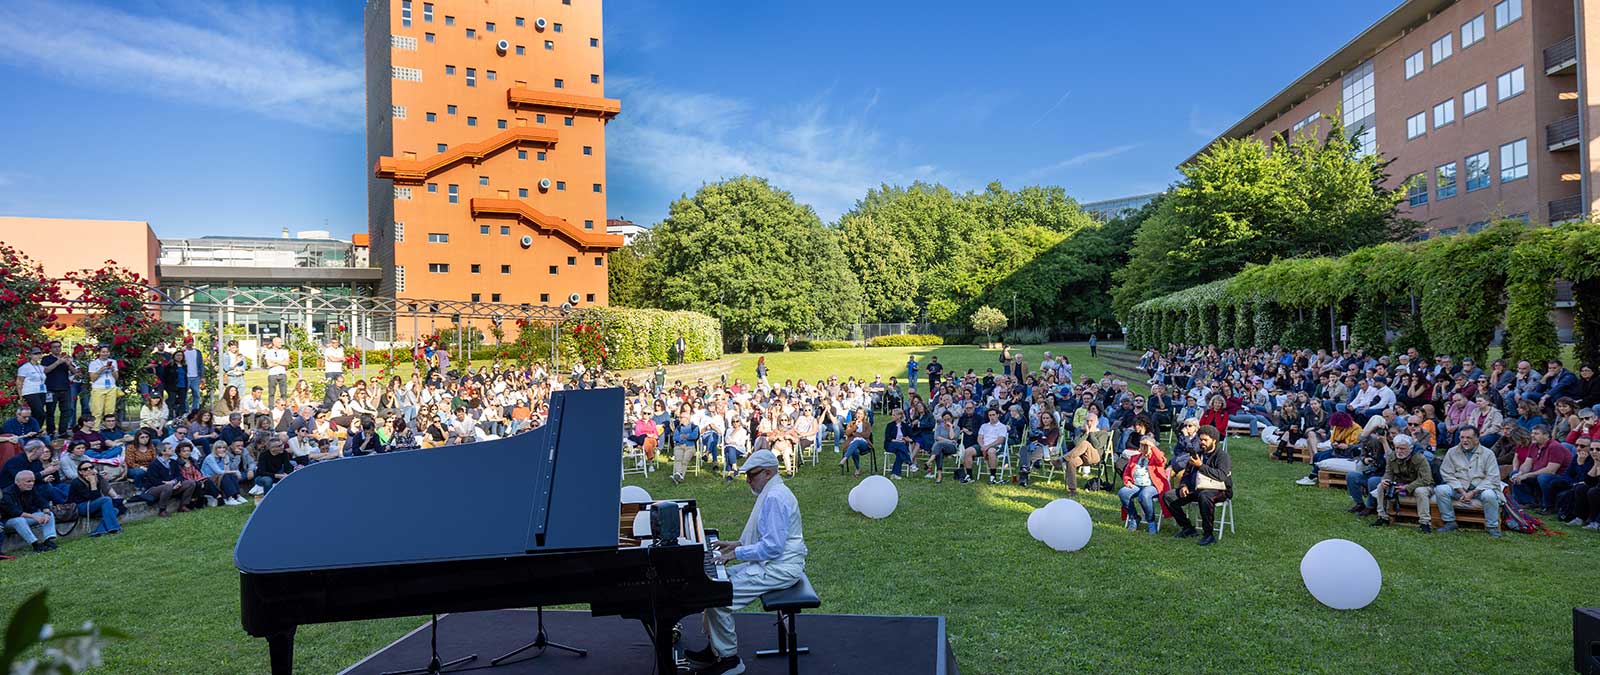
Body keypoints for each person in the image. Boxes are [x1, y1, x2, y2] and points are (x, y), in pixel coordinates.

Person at [684, 450, 806, 675]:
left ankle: (730, 660)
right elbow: (767, 536)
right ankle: (715, 649)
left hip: (781, 568)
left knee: (719, 597)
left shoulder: (775, 497)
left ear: (768, 472)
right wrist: (735, 544)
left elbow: (773, 547)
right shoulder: (771, 491)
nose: (748, 480)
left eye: (752, 475)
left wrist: (736, 554)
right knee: (712, 587)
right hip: (773, 563)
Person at [1159, 424, 1231, 546]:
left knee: (1205, 496)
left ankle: (1208, 534)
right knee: (1168, 496)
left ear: (1214, 440)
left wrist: (1200, 466)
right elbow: (1187, 473)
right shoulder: (1197, 453)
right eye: (1200, 439)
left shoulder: (1222, 456)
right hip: (1196, 488)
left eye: (1205, 440)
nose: (1202, 442)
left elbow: (1221, 476)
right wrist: (1183, 486)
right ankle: (1188, 528)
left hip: (1219, 490)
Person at [1434, 426, 1504, 537]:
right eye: (1462, 437)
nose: (1464, 440)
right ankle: (1449, 522)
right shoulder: (1452, 452)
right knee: (1441, 489)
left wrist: (1473, 492)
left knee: (1490, 495)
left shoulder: (1488, 454)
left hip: (1480, 489)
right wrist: (1462, 491)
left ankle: (1492, 527)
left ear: (1477, 439)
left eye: (1468, 437)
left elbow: (1492, 477)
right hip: (1459, 488)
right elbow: (1447, 473)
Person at [1369, 435, 1435, 532]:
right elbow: (1388, 473)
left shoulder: (1420, 458)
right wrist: (1385, 480)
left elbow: (1426, 479)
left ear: (1410, 448)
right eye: (1397, 448)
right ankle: (1382, 517)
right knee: (1381, 486)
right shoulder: (1392, 457)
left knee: (1420, 491)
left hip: (1421, 485)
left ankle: (1424, 523)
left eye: (1402, 448)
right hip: (1400, 484)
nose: (1399, 451)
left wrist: (1407, 487)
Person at [1509, 424, 1572, 512]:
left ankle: (1548, 506)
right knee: (1514, 474)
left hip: (1560, 477)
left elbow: (1551, 470)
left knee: (1543, 477)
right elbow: (1527, 464)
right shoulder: (1533, 446)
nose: (1532, 436)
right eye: (1532, 433)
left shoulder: (1555, 447)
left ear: (1546, 435)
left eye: (1536, 433)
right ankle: (1528, 502)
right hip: (1539, 474)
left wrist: (1527, 475)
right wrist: (1520, 473)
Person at [1119, 434, 1169, 534]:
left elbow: (1161, 460)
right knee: (1123, 493)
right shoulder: (1134, 457)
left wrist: (1152, 447)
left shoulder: (1156, 457)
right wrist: (1127, 480)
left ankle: (1151, 521)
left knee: (1144, 495)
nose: (1143, 448)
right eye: (1142, 445)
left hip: (1152, 486)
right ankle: (1134, 518)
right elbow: (1127, 472)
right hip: (1136, 484)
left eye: (1146, 446)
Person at [1, 471, 58, 552]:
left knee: (49, 514)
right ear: (18, 482)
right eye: (28, 481)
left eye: (33, 481)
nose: (31, 484)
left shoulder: (30, 489)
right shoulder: (7, 493)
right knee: (19, 520)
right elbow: (15, 512)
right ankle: (35, 544)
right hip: (7, 522)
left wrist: (46, 513)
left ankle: (48, 540)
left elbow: (41, 502)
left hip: (25, 518)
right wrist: (35, 517)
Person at [140, 444, 198, 516]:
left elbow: (179, 476)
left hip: (172, 486)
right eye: (170, 448)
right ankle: (162, 510)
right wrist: (168, 484)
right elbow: (154, 481)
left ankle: (183, 506)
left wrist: (175, 482)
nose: (172, 449)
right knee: (168, 487)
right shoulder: (154, 464)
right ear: (163, 452)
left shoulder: (173, 462)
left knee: (190, 483)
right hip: (154, 489)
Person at [68, 459, 122, 535]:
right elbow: (94, 498)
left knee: (115, 510)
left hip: (93, 504)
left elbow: (104, 490)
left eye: (91, 467)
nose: (89, 470)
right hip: (81, 506)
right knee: (106, 500)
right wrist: (92, 483)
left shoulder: (97, 477)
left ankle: (99, 531)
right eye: (85, 469)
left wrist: (98, 479)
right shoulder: (76, 482)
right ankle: (113, 528)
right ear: (80, 472)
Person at [201, 440, 246, 505]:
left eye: (223, 447)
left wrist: (225, 460)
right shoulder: (210, 457)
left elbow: (227, 470)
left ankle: (237, 496)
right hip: (209, 479)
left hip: (219, 477)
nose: (222, 449)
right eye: (219, 448)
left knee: (231, 475)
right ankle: (229, 498)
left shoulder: (225, 456)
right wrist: (236, 471)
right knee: (226, 475)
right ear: (215, 449)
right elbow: (218, 471)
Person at [16, 347, 49, 429]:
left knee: (36, 414)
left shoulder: (41, 367)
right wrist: (20, 397)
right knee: (40, 413)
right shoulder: (25, 367)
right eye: (35, 354)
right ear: (30, 355)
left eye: (39, 353)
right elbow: (19, 382)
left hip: (41, 392)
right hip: (30, 392)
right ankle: (36, 430)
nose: (38, 355)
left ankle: (34, 430)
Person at [86, 344, 120, 422]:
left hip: (111, 387)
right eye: (103, 352)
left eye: (107, 352)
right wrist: (101, 370)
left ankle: (109, 429)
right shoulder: (93, 363)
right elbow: (92, 378)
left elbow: (116, 377)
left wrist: (113, 370)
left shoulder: (113, 362)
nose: (105, 354)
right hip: (98, 388)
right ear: (99, 353)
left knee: (110, 411)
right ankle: (95, 429)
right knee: (97, 411)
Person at [882, 407, 913, 479]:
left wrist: (907, 439)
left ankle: (895, 474)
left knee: (900, 453)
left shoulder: (905, 426)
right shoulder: (890, 425)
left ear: (899, 416)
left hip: (901, 447)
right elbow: (887, 437)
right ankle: (909, 461)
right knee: (901, 445)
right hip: (891, 445)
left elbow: (911, 436)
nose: (892, 416)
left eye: (894, 415)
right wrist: (896, 441)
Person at [840, 412, 872, 477]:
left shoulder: (867, 424)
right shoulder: (851, 423)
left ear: (864, 415)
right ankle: (857, 469)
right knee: (855, 451)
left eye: (861, 414)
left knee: (857, 440)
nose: (859, 415)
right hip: (852, 445)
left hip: (864, 444)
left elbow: (867, 435)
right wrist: (855, 426)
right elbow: (847, 433)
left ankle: (845, 458)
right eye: (858, 413)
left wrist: (856, 434)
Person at [263, 336, 289, 407]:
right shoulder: (268, 352)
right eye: (279, 342)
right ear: (274, 343)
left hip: (282, 374)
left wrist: (275, 361)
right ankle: (271, 407)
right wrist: (281, 362)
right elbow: (269, 364)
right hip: (272, 375)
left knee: (283, 393)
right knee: (271, 393)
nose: (281, 343)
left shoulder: (284, 351)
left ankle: (284, 406)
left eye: (281, 342)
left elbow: (286, 363)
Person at [180, 338, 204, 414]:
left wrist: (202, 376)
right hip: (186, 376)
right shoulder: (183, 352)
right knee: (185, 396)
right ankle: (186, 411)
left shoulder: (197, 352)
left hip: (196, 376)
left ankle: (195, 411)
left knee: (196, 394)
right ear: (185, 343)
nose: (190, 344)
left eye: (191, 342)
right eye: (188, 342)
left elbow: (201, 364)